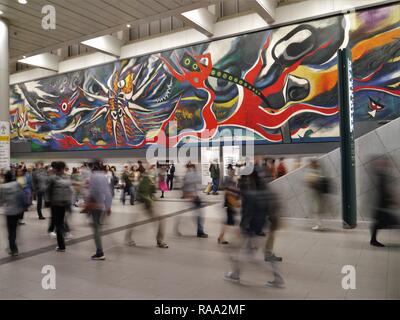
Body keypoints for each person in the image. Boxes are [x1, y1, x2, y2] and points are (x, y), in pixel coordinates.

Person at [125, 168, 169, 248]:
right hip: (143, 203)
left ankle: (159, 240)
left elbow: (152, 192)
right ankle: (128, 238)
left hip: (149, 203)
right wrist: (150, 202)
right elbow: (142, 193)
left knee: (162, 219)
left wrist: (154, 200)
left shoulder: (154, 179)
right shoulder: (148, 178)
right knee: (136, 222)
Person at [85, 161, 112, 260]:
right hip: (104, 205)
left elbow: (92, 191)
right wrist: (108, 206)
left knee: (96, 229)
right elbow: (108, 191)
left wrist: (89, 204)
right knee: (98, 227)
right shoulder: (104, 176)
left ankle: (99, 252)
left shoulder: (93, 176)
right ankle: (99, 251)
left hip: (96, 205)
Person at [370, 157, 399, 247]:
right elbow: (384, 191)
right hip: (381, 205)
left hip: (382, 205)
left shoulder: (382, 175)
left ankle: (373, 240)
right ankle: (373, 240)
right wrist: (392, 201)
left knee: (379, 223)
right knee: (392, 222)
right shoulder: (380, 176)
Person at [176, 163, 208, 238]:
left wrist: (184, 195)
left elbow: (184, 186)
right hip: (193, 197)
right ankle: (200, 232)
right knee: (199, 214)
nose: (191, 169)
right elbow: (196, 181)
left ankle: (177, 228)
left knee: (196, 214)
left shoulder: (187, 175)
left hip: (193, 196)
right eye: (191, 167)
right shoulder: (191, 174)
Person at [47, 161, 73, 252]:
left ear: (55, 168)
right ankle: (64, 237)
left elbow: (46, 189)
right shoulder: (67, 177)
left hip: (56, 203)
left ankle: (61, 246)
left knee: (58, 224)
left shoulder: (52, 178)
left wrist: (47, 201)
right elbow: (70, 190)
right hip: (65, 202)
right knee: (61, 223)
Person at [0, 171, 26, 256]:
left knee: (10, 230)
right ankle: (13, 246)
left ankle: (13, 248)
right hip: (18, 210)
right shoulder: (17, 184)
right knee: (14, 229)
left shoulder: (3, 187)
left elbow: (2, 200)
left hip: (9, 211)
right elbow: (22, 195)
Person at [218, 164, 240, 244]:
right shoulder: (229, 180)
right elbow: (228, 191)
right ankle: (221, 238)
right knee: (229, 222)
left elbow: (235, 192)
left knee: (231, 222)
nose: (233, 173)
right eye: (232, 172)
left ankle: (221, 237)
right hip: (230, 204)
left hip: (231, 204)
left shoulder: (233, 181)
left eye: (233, 172)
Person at [305, 159, 327, 231]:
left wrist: (311, 182)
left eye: (311, 163)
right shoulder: (319, 170)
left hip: (318, 193)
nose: (309, 165)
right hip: (318, 193)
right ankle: (319, 224)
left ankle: (319, 225)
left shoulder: (315, 171)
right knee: (317, 210)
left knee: (317, 210)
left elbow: (313, 182)